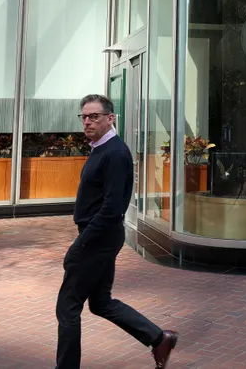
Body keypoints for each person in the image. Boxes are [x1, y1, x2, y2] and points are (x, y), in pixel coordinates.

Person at [55, 94, 179, 369]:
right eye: (84, 117)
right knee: (100, 302)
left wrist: (81, 244)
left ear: (110, 118)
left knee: (68, 305)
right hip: (100, 237)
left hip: (98, 239)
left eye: (94, 116)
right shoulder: (101, 148)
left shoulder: (115, 154)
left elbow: (112, 209)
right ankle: (159, 338)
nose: (87, 122)